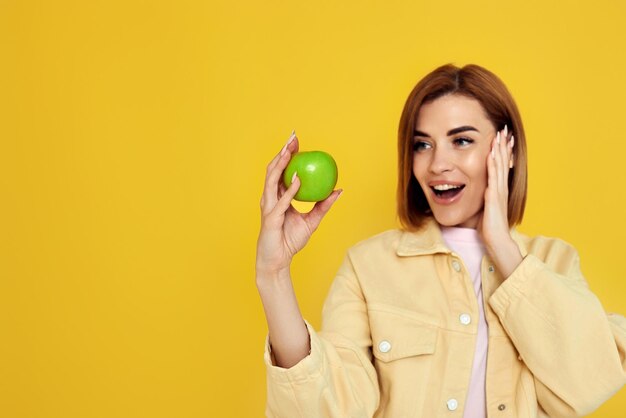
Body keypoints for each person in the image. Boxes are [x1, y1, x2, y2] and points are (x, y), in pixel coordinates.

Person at [255, 63, 626, 417]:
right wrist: (274, 274)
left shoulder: (554, 261)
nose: (436, 164)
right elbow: (331, 409)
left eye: (461, 140)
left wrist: (502, 245)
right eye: (422, 145)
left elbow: (588, 384)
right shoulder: (368, 265)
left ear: (507, 149)